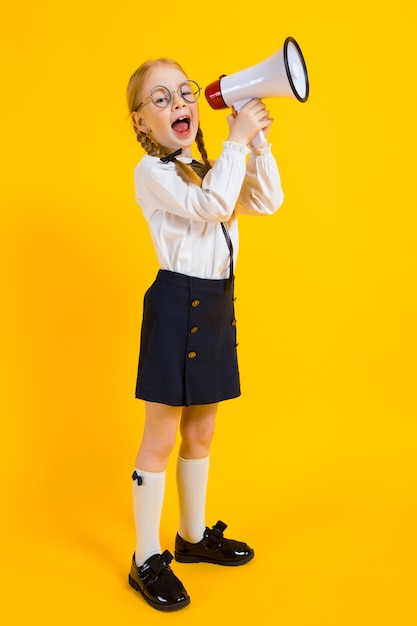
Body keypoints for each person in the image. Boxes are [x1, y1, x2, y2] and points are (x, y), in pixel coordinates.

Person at [126, 57, 284, 612]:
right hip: (175, 303)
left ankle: (191, 538)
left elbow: (266, 201)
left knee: (202, 432)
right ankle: (145, 556)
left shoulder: (214, 164)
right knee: (163, 437)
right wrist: (237, 144)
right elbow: (215, 204)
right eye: (161, 98)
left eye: (184, 94)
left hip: (216, 302)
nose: (179, 105)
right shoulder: (156, 174)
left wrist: (254, 142)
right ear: (142, 122)